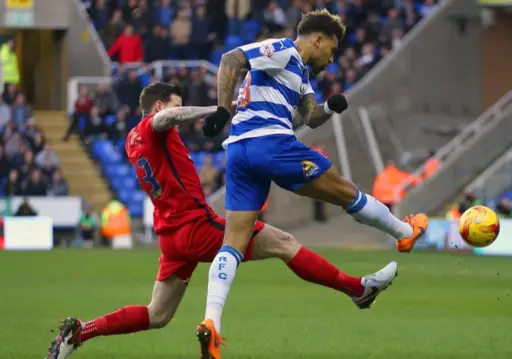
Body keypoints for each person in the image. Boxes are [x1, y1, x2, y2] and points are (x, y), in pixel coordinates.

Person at [46, 82, 398, 359]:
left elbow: (163, 127)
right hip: (196, 226)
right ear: (157, 106)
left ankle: (82, 331)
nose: (177, 111)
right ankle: (358, 290)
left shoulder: (131, 141)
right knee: (285, 243)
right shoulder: (155, 126)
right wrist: (213, 109)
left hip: (170, 236)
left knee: (158, 315)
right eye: (174, 103)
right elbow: (165, 118)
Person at [199, 9, 428, 358]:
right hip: (271, 143)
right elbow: (233, 58)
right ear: (317, 39)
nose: (331, 58)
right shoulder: (282, 50)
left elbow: (310, 117)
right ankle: (403, 232)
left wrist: (331, 107)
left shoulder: (301, 77)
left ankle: (211, 321)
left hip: (240, 155)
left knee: (234, 242)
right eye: (331, 50)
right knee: (345, 191)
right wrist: (221, 110)